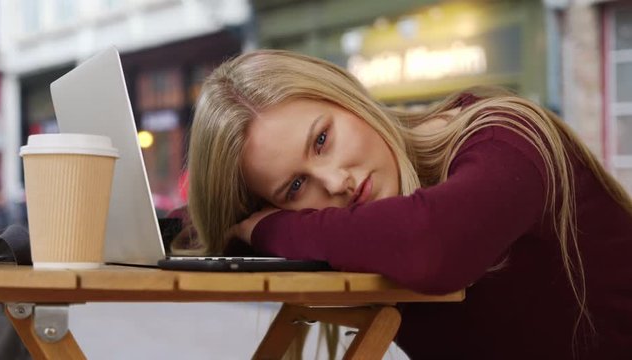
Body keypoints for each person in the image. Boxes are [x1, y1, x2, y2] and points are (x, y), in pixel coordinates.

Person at [184, 49, 632, 359]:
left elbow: (430, 246)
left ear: (349, 97)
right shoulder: (357, 237)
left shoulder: (504, 133)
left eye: (323, 139)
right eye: (296, 186)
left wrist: (268, 229)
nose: (337, 181)